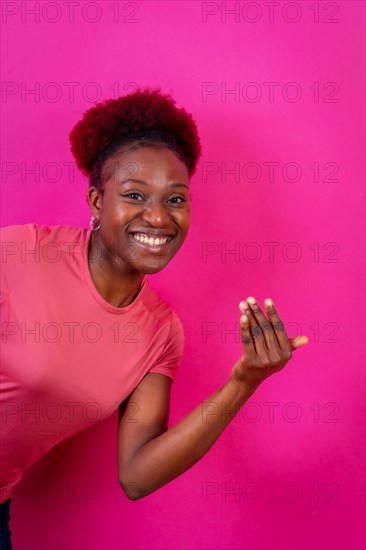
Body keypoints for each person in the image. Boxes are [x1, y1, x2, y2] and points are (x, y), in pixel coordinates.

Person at [0, 87, 308, 547]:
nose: (159, 218)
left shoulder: (160, 332)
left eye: (176, 199)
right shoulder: (20, 253)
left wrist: (244, 382)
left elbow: (138, 476)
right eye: (135, 194)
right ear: (98, 202)